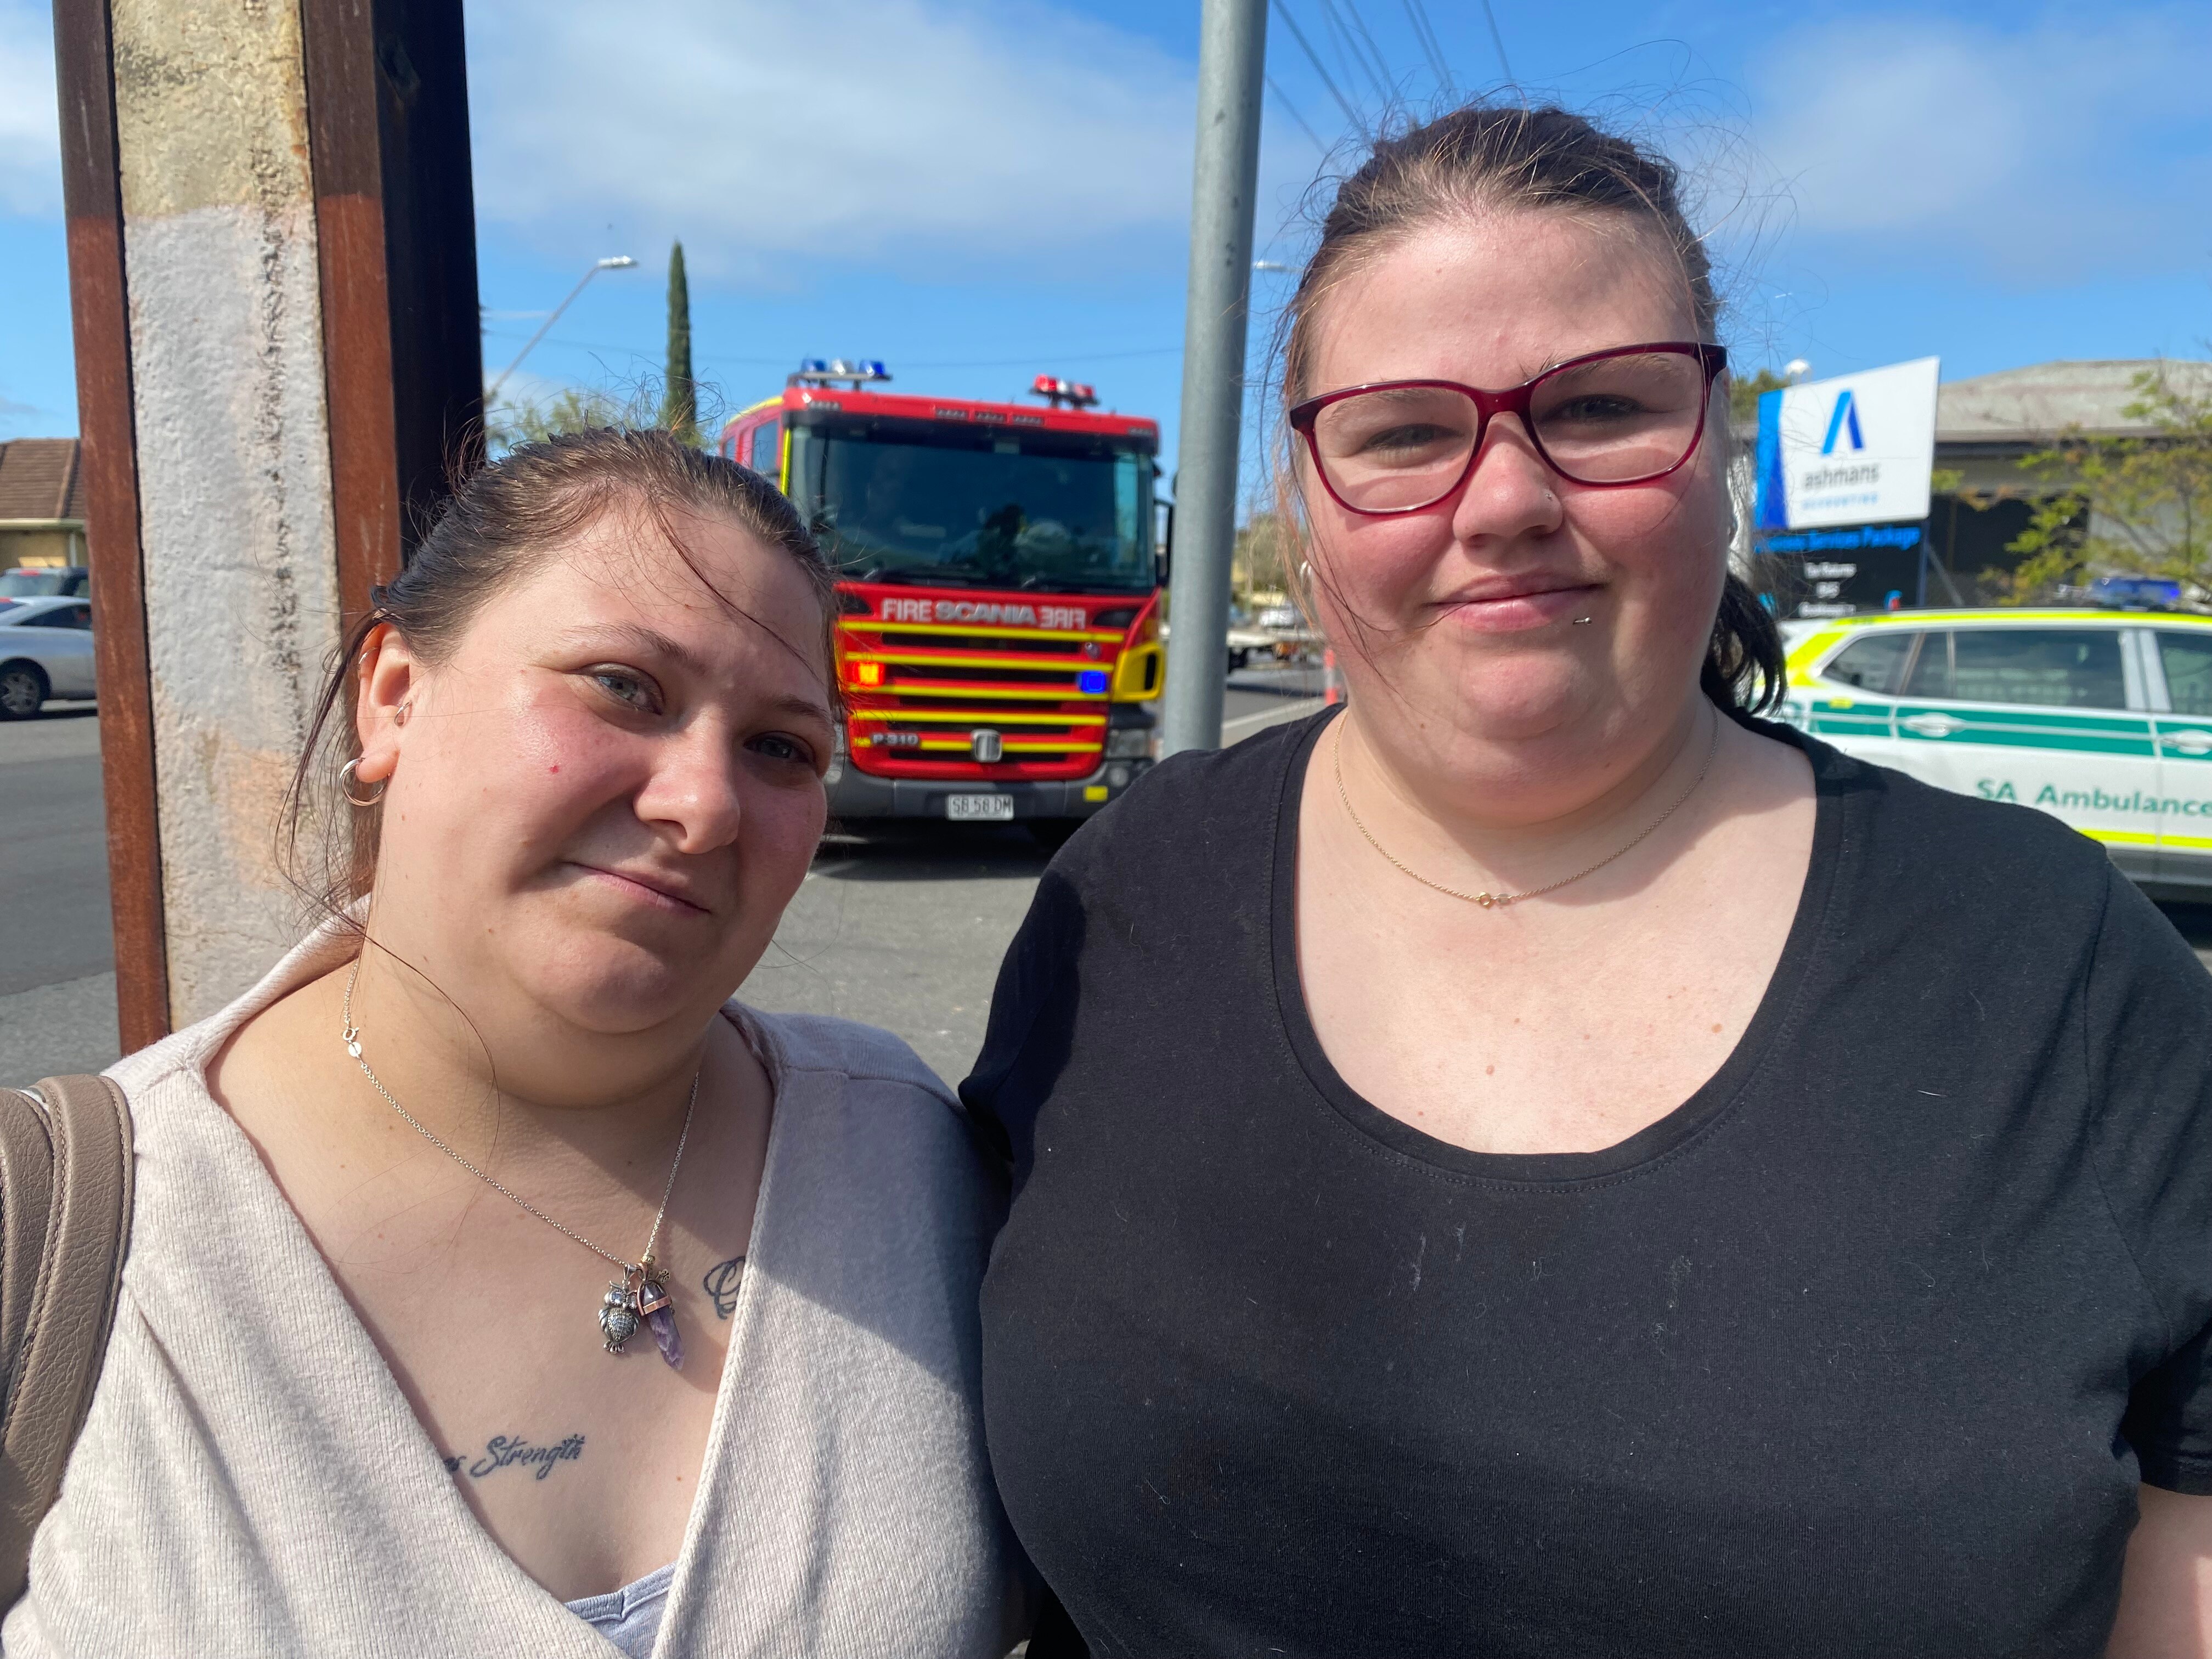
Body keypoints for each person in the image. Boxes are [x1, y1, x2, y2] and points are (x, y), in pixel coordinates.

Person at [963, 104, 2212, 1657]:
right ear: (1304, 496)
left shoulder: (2050, 969)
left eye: (1603, 407)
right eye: (1403, 433)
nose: (1503, 500)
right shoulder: (1125, 897)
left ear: (1719, 448)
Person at [9, 431, 1019, 1657]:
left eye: (780, 748)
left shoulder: (908, 1156)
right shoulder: (64, 1242)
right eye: (623, 686)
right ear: (395, 696)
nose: (704, 804)